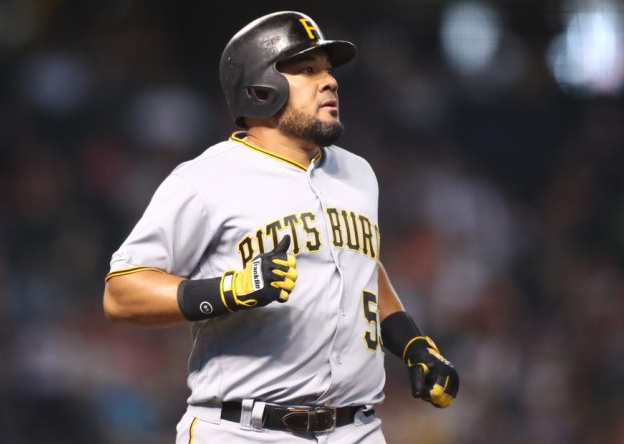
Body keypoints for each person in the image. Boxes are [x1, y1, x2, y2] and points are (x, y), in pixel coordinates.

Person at [102, 11, 459, 443]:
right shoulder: (205, 179)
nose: (330, 82)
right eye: (308, 70)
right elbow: (121, 292)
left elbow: (361, 265)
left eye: (328, 71)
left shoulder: (358, 173)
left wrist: (411, 343)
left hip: (357, 429)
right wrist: (229, 290)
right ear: (259, 88)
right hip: (243, 429)